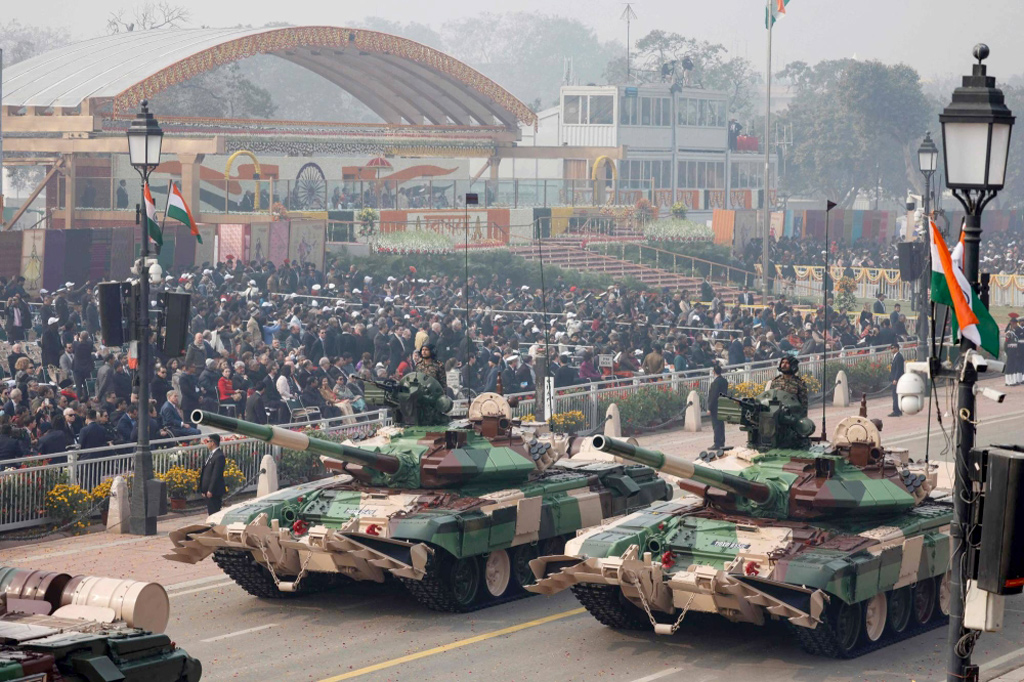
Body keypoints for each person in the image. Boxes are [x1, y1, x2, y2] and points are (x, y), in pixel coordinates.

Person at [199, 434, 226, 514]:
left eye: (208, 441)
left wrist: (211, 490)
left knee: (214, 512)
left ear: (212, 443)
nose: (207, 443)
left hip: (214, 491)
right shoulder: (211, 455)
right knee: (210, 512)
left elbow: (216, 474)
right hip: (207, 491)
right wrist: (203, 489)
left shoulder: (219, 456)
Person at [708, 363, 729, 449]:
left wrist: (709, 408)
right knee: (721, 424)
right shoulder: (724, 381)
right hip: (722, 405)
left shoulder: (715, 383)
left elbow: (713, 396)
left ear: (714, 372)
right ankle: (722, 441)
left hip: (715, 406)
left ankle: (717, 443)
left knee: (716, 425)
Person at [889, 342, 905, 417]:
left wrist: (895, 379)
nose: (891, 350)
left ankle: (896, 411)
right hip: (894, 379)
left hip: (897, 379)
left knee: (895, 395)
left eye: (892, 348)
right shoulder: (896, 356)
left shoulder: (899, 357)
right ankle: (897, 410)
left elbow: (899, 369)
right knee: (895, 395)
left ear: (896, 348)